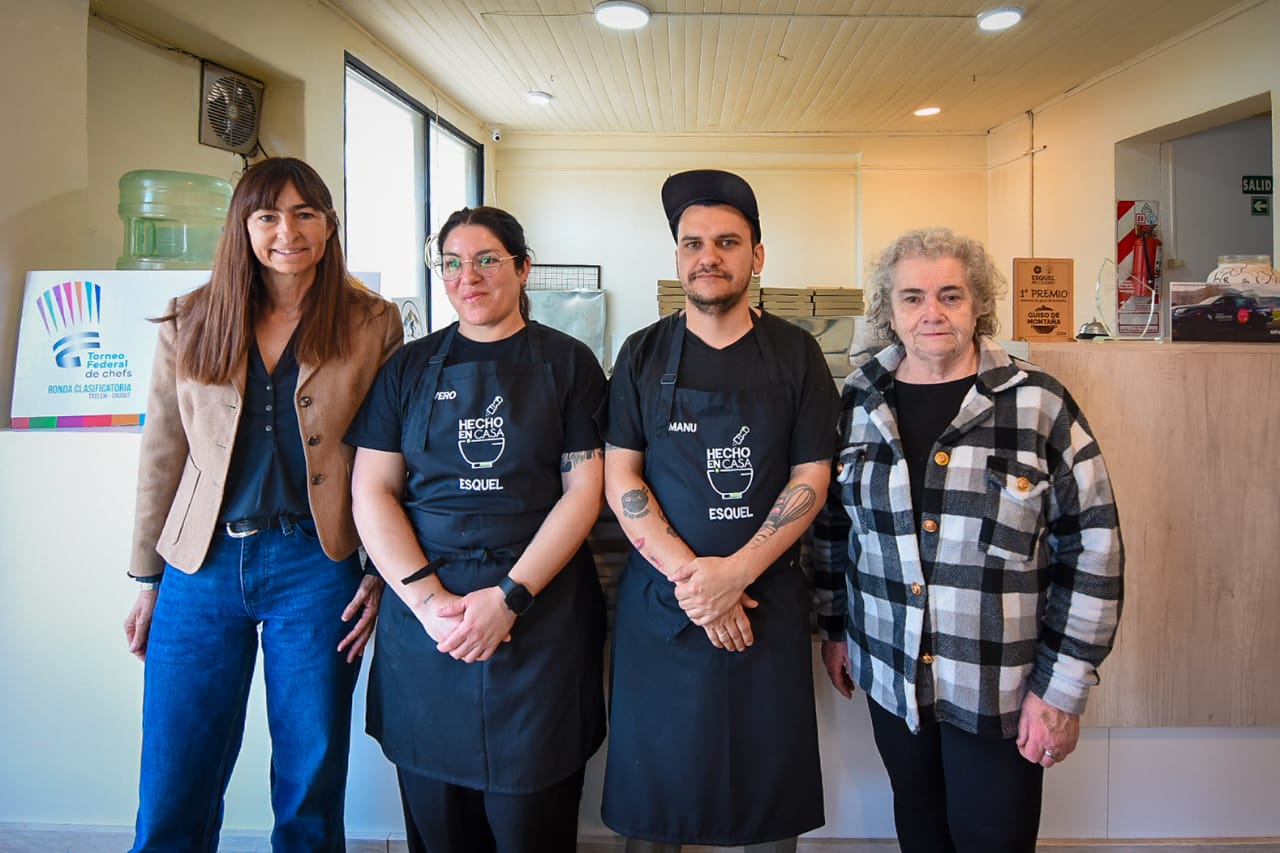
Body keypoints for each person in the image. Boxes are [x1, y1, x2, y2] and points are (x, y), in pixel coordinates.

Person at [121, 157, 403, 852]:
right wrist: (147, 579)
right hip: (200, 565)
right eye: (268, 216)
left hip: (318, 565)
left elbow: (389, 455)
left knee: (310, 774)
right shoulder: (191, 316)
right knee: (175, 770)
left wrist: (379, 569)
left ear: (329, 225)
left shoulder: (371, 321)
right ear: (242, 226)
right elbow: (162, 453)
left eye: (306, 213)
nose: (288, 232)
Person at [812, 227, 1125, 852]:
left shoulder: (1038, 403)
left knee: (994, 839)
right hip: (891, 673)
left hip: (1000, 685)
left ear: (978, 303)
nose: (932, 312)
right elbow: (834, 527)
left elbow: (1094, 548)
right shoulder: (859, 400)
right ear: (890, 311)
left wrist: (1062, 689)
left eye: (950, 295)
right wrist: (835, 628)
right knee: (919, 831)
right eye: (912, 297)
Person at [345, 205, 607, 853]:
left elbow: (583, 490)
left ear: (523, 268)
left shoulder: (570, 364)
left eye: (488, 259)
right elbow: (372, 491)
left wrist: (510, 597)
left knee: (533, 824)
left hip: (540, 618)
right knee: (439, 825)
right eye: (453, 263)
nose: (469, 276)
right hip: (427, 623)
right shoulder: (407, 368)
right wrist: (429, 604)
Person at [601, 169, 838, 852]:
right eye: (693, 243)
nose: (708, 256)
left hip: (766, 602)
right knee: (655, 807)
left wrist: (736, 573)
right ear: (678, 257)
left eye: (727, 242)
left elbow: (811, 476)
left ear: (756, 256)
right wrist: (698, 582)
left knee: (767, 805)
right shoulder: (641, 353)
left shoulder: (797, 353)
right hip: (665, 608)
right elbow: (620, 475)